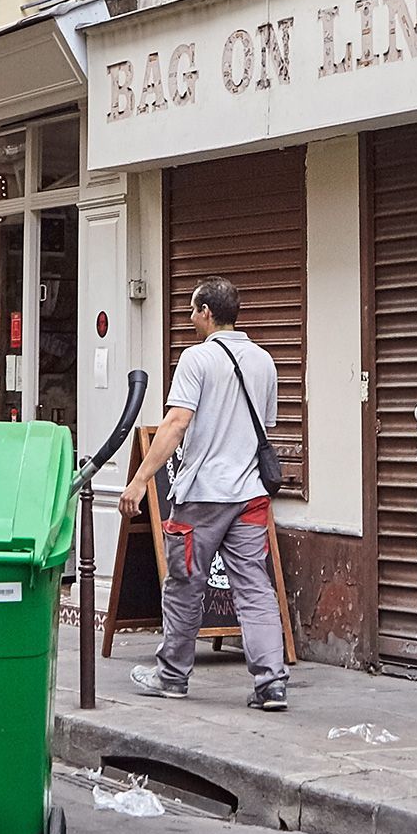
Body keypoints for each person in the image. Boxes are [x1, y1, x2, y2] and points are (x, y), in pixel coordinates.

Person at [119, 276, 289, 711]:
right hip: (251, 495)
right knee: (254, 587)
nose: (191, 319)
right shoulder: (264, 361)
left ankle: (172, 676)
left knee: (183, 585)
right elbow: (262, 427)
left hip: (201, 496)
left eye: (193, 311)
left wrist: (140, 479)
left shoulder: (197, 359)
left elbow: (176, 423)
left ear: (207, 313)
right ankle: (271, 683)